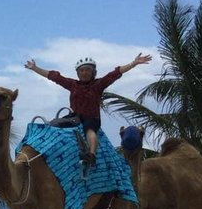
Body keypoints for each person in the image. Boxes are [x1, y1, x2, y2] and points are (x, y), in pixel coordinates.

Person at [24, 52, 153, 164]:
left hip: (91, 119)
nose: (84, 72)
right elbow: (54, 76)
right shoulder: (73, 85)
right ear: (78, 73)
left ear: (93, 72)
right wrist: (35, 68)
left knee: (89, 129)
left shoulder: (98, 84)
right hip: (74, 118)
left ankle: (92, 155)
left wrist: (133, 63)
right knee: (53, 126)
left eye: (87, 70)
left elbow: (115, 73)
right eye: (81, 70)